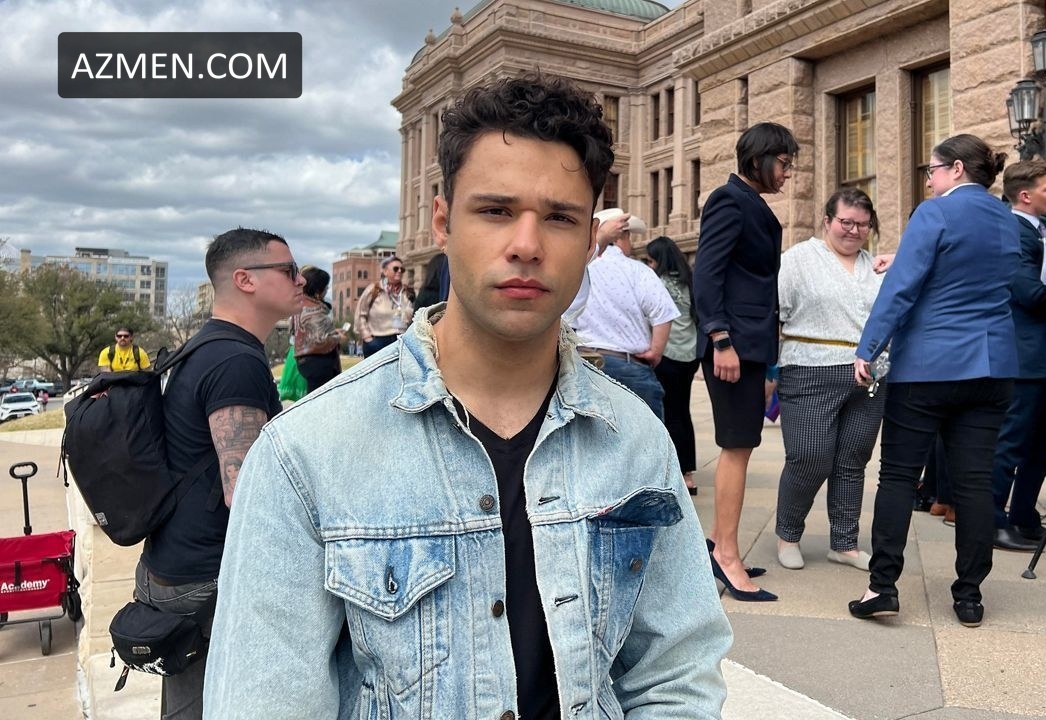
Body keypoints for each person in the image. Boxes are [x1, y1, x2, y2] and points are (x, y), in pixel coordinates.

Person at [205, 73, 731, 719]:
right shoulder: (304, 453)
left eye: (560, 218)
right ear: (442, 222)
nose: (527, 246)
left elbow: (675, 672)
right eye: (496, 211)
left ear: (589, 239)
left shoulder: (636, 438)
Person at [848, 134, 1019, 628]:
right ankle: (969, 595)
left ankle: (882, 586)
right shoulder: (1007, 219)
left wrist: (868, 346)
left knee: (899, 475)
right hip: (993, 365)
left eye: (933, 170)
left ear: (957, 169)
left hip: (929, 364)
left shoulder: (934, 213)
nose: (929, 180)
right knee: (975, 482)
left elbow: (903, 289)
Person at [137, 228, 303, 719]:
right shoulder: (235, 361)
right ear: (245, 280)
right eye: (289, 270)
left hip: (173, 561)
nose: (301, 281)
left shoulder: (205, 346)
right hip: (206, 575)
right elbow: (246, 491)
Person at [693, 121, 798, 603]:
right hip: (732, 346)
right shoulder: (728, 200)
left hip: (750, 346)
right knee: (736, 446)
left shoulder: (749, 202)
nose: (788, 173)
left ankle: (720, 543)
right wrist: (720, 338)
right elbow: (707, 274)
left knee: (743, 445)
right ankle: (727, 555)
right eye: (784, 163)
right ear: (759, 160)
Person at [774, 187, 886, 572]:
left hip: (869, 377)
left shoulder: (876, 267)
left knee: (852, 460)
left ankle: (844, 543)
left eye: (863, 225)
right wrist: (768, 371)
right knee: (809, 457)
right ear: (827, 221)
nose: (854, 231)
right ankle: (788, 535)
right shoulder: (798, 260)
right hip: (809, 370)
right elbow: (775, 313)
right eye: (846, 222)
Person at [988, 160, 1046, 553]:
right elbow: (1029, 294)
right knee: (1012, 442)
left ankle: (1024, 516)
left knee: (1045, 443)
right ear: (1025, 195)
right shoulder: (1013, 231)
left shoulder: (1038, 230)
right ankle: (992, 521)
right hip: (1027, 357)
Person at [574, 208, 678, 418]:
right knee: (645, 436)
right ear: (621, 236)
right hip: (629, 366)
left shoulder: (578, 268)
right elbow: (663, 312)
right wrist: (655, 352)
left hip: (583, 363)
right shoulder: (637, 270)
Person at [645, 235, 700, 495]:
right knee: (682, 411)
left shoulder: (657, 283)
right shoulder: (690, 281)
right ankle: (687, 473)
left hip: (666, 354)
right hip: (690, 355)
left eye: (651, 260)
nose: (649, 265)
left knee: (667, 412)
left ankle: (671, 471)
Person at [292, 266, 345, 395]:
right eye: (326, 288)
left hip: (306, 361)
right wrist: (338, 338)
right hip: (319, 362)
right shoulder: (313, 310)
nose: (327, 290)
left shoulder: (299, 305)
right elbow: (319, 340)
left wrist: (333, 331)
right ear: (318, 291)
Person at [355, 255, 415, 355]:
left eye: (402, 269)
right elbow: (361, 314)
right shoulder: (373, 290)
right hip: (377, 340)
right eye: (395, 269)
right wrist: (367, 337)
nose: (399, 271)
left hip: (401, 340)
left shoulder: (408, 292)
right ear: (385, 271)